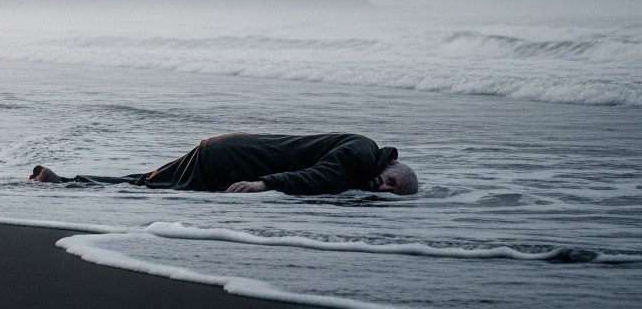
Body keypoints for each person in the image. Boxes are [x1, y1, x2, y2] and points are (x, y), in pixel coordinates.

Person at [29, 132, 418, 196]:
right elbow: (321, 175)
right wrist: (265, 185)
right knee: (150, 187)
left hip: (227, 150)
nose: (383, 188)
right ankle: (62, 183)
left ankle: (62, 180)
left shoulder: (363, 160)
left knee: (147, 182)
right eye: (391, 183)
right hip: (229, 160)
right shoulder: (363, 153)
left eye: (390, 193)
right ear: (393, 166)